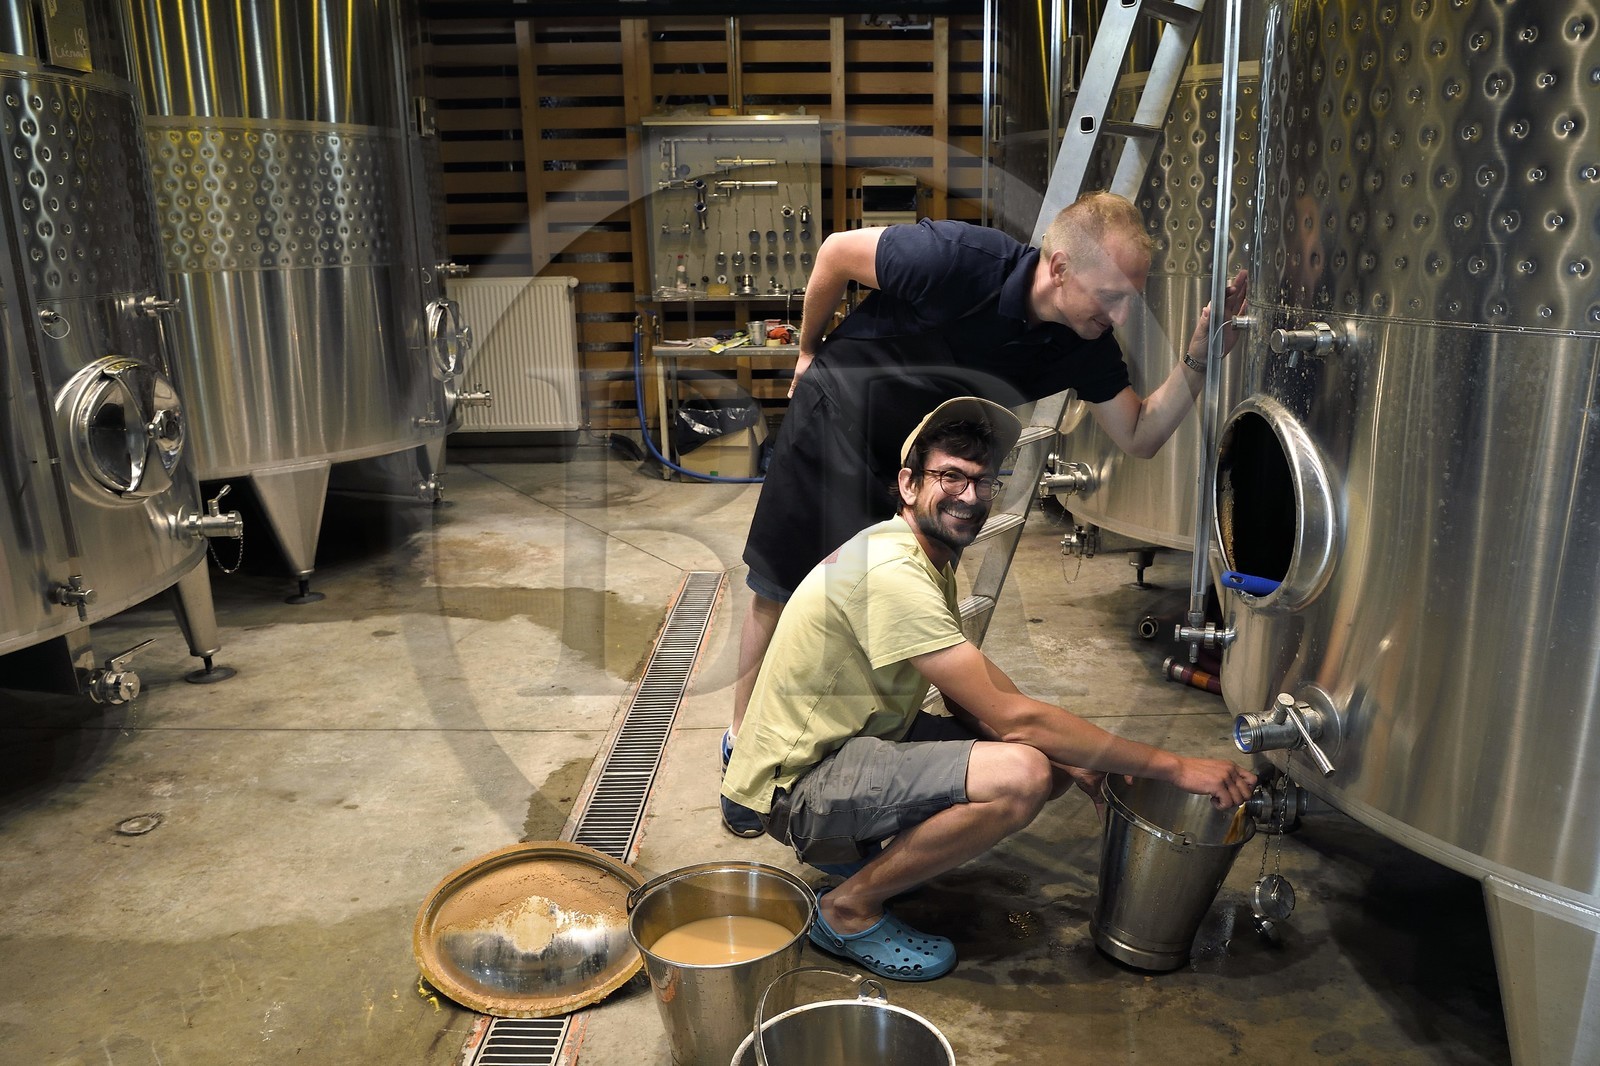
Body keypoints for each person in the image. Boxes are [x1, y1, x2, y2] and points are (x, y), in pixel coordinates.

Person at [720, 190, 1249, 836]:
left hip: (928, 464)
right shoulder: (955, 260)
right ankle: (742, 742)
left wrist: (1197, 360)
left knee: (893, 610)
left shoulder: (1084, 342)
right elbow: (834, 254)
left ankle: (857, 754)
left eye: (1129, 300)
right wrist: (806, 352)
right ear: (1058, 268)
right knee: (779, 589)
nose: (1119, 314)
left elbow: (1138, 434)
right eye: (1110, 296)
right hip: (839, 415)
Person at [721, 397, 1257, 981]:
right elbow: (1014, 718)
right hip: (795, 785)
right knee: (1022, 774)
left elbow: (978, 693)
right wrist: (1176, 768)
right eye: (949, 476)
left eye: (983, 482)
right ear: (907, 484)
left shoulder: (921, 556)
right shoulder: (893, 573)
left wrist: (1074, 758)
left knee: (1047, 762)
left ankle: (872, 860)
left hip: (848, 747)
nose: (970, 496)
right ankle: (847, 910)